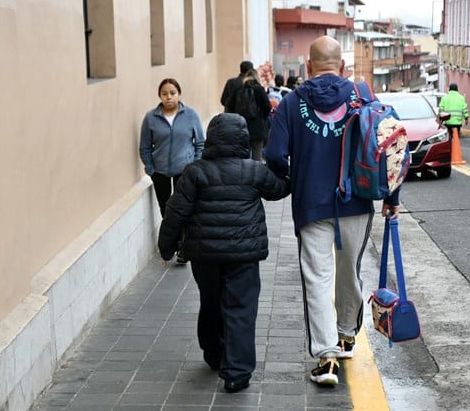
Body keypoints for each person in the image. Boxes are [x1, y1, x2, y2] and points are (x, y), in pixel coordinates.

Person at [264, 35, 401, 386]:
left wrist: (298, 178)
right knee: (349, 271)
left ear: (308, 67)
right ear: (342, 66)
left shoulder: (292, 103)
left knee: (317, 278)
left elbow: (276, 156)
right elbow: (390, 145)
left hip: (311, 204)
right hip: (356, 200)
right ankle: (346, 335)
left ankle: (326, 359)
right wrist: (392, 199)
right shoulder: (363, 95)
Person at [157, 112, 290, 393]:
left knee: (211, 300)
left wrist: (166, 247)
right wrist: (289, 173)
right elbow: (278, 189)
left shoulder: (195, 172)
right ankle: (236, 373)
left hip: (204, 255)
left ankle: (214, 354)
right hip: (243, 253)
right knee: (240, 308)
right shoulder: (253, 170)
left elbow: (176, 211)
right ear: (242, 140)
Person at [139, 78, 205, 219]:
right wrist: (150, 168)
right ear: (160, 96)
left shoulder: (191, 115)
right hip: (159, 172)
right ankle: (172, 240)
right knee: (165, 209)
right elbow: (145, 146)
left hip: (184, 171)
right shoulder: (151, 117)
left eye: (172, 93)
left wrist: (194, 165)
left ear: (179, 94)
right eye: (164, 94)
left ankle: (184, 239)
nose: (168, 97)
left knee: (183, 208)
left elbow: (200, 143)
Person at [232, 68, 272, 161]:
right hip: (258, 128)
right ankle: (255, 174)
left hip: (241, 127)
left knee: (243, 156)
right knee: (257, 156)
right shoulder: (259, 89)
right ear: (257, 77)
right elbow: (268, 107)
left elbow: (230, 106)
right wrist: (263, 116)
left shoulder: (239, 89)